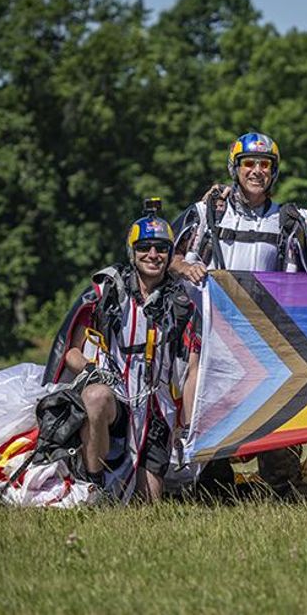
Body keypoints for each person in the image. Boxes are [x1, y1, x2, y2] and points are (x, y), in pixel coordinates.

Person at [170, 132, 307, 500]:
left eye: (265, 165)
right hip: (211, 329)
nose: (257, 171)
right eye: (249, 163)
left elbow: (298, 281)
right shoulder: (206, 213)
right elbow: (168, 257)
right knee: (207, 398)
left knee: (273, 403)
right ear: (235, 168)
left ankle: (282, 484)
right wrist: (186, 269)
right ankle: (209, 480)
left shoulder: (286, 220)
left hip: (263, 334)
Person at [43, 204, 200, 502]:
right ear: (132, 251)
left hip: (155, 410)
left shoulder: (182, 305)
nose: (153, 255)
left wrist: (189, 430)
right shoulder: (108, 291)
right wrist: (91, 370)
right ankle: (93, 485)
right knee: (95, 396)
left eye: (161, 248)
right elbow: (72, 351)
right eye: (145, 247)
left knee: (149, 501)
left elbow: (192, 370)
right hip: (115, 397)